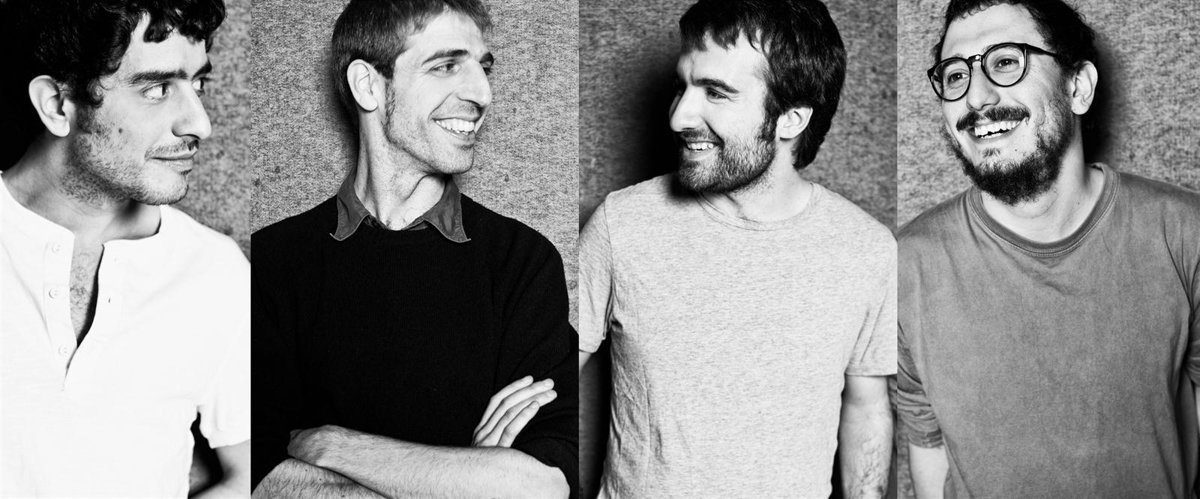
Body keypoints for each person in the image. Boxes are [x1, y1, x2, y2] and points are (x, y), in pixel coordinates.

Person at [250, 0, 577, 497]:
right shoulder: (272, 261)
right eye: (445, 66)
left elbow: (540, 487)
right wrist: (464, 478)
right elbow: (254, 477)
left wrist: (335, 445)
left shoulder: (522, 262)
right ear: (368, 85)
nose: (482, 93)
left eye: (483, 68)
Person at [577, 0, 896, 496]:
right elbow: (547, 378)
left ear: (790, 119)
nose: (680, 116)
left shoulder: (867, 251)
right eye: (683, 86)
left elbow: (867, 407)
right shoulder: (622, 224)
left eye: (716, 93)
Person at [897, 0, 1200, 497]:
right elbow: (927, 444)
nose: (976, 95)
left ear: (1077, 87)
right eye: (955, 75)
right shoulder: (904, 266)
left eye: (1005, 61)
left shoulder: (1185, 233)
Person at [0, 0, 251, 497]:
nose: (200, 124)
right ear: (57, 105)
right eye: (157, 88)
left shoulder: (216, 272)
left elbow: (250, 475)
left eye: (199, 83)